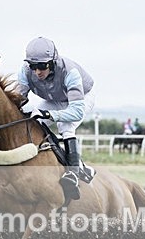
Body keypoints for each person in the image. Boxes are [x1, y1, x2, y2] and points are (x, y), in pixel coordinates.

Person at [16, 37, 95, 199]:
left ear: (52, 62)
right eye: (33, 66)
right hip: (54, 99)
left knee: (65, 126)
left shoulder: (69, 72)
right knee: (33, 123)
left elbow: (76, 112)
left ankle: (73, 173)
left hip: (81, 98)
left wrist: (48, 114)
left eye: (42, 66)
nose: (37, 72)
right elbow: (17, 100)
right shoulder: (25, 71)